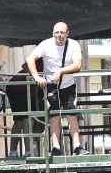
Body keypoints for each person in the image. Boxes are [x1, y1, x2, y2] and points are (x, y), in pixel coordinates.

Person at [29, 22, 84, 156]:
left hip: (69, 85)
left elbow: (77, 65)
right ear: (53, 33)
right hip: (51, 85)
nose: (59, 35)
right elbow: (30, 59)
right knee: (54, 116)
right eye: (56, 33)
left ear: (67, 34)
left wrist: (60, 71)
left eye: (62, 33)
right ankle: (56, 147)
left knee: (72, 114)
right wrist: (37, 77)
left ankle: (77, 147)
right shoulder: (46, 44)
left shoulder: (74, 45)